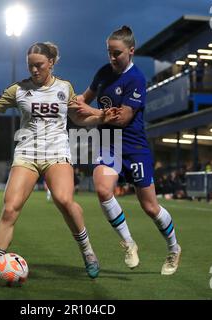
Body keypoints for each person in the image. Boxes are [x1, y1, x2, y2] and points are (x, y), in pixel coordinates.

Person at [0, 42, 101, 285]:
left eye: (39, 65)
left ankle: (88, 252)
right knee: (10, 208)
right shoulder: (18, 89)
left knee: (64, 200)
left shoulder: (64, 88)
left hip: (56, 152)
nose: (34, 70)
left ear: (51, 63)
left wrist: (100, 116)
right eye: (30, 66)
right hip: (26, 153)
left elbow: (77, 117)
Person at [69, 26, 181, 275]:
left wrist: (94, 112)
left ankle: (174, 249)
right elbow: (83, 100)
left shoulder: (137, 79)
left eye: (117, 53)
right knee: (102, 189)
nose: (111, 58)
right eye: (109, 52)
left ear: (131, 51)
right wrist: (72, 100)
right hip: (109, 144)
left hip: (135, 147)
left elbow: (122, 119)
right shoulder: (103, 73)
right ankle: (129, 243)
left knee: (150, 207)